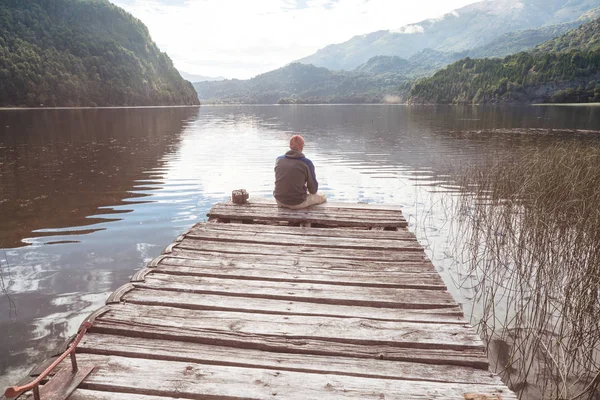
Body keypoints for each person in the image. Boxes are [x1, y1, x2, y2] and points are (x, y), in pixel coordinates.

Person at [273, 135, 326, 209]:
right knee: (322, 197)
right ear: (302, 147)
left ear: (290, 145)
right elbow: (313, 190)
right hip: (298, 202)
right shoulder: (307, 163)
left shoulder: (279, 160)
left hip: (279, 200)